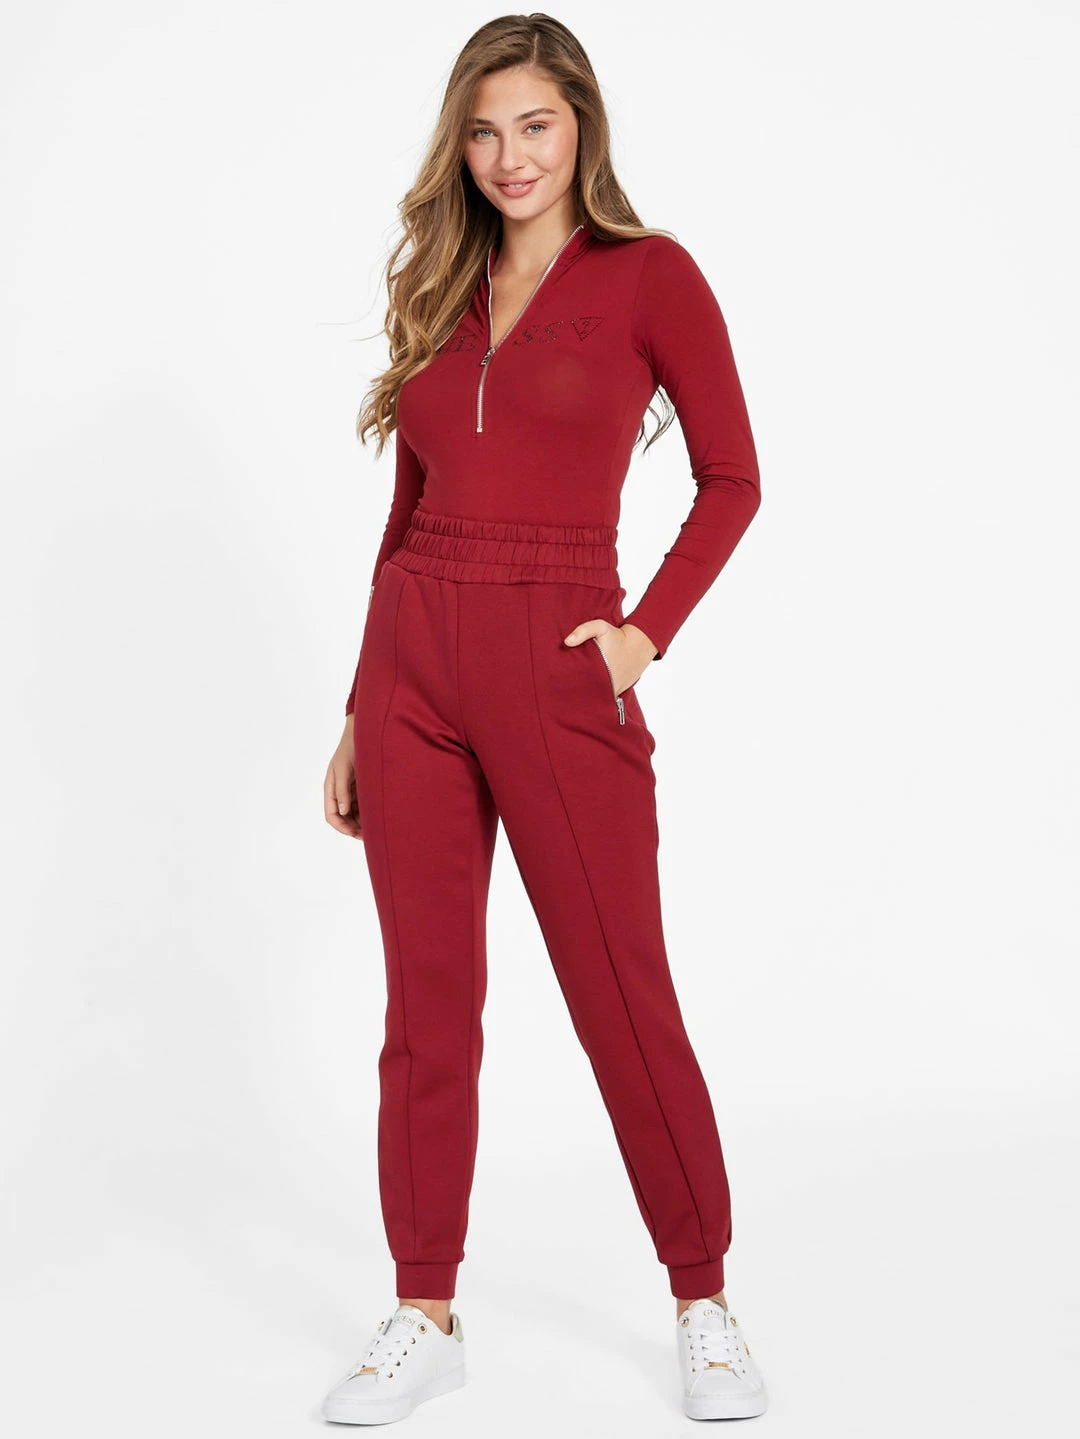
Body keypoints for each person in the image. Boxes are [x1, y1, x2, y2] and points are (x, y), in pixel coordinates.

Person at [320, 13, 767, 1426]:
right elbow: (407, 513)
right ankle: (424, 1308)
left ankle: (702, 1298)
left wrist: (644, 632)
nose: (509, 157)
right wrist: (359, 704)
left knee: (619, 991)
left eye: (535, 126)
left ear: (582, 127)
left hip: (560, 661)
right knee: (425, 1003)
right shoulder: (442, 285)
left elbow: (733, 477)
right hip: (414, 666)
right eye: (483, 131)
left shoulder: (649, 276)